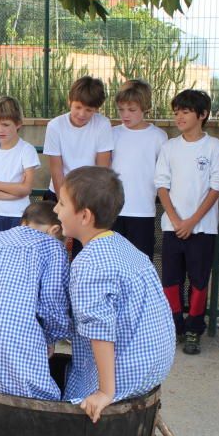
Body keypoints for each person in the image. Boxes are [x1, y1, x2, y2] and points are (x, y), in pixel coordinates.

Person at [55, 167, 176, 421]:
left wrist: (105, 391)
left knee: (70, 401)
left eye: (62, 203)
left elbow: (99, 330)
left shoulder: (89, 264)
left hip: (126, 373)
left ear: (85, 216)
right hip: (154, 364)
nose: (56, 209)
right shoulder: (124, 246)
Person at [0, 202, 71, 400]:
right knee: (35, 399)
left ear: (23, 222)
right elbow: (52, 303)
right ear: (55, 230)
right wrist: (51, 337)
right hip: (13, 334)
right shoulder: (52, 247)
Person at [155, 89, 219, 355]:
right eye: (176, 112)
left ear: (203, 114)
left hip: (203, 229)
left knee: (198, 281)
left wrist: (193, 221)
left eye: (185, 112)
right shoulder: (169, 147)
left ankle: (194, 329)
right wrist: (175, 220)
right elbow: (161, 184)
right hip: (172, 227)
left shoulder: (214, 147)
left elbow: (216, 186)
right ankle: (173, 325)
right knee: (171, 280)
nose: (179, 117)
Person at [43, 76, 112, 257]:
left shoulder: (103, 124)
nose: (82, 114)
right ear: (69, 101)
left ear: (97, 109)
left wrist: (88, 205)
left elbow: (103, 170)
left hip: (89, 199)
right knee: (53, 250)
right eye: (78, 107)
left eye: (89, 110)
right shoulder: (55, 126)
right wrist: (64, 203)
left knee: (85, 253)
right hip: (58, 196)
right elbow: (56, 170)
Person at [110, 79, 167, 260]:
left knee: (141, 262)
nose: (125, 115)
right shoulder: (112, 133)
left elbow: (163, 174)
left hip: (143, 210)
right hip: (114, 211)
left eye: (132, 110)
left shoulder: (158, 136)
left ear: (145, 107)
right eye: (121, 110)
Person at [0, 96, 39, 241]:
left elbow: (25, 189)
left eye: (5, 124)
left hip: (19, 214)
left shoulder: (27, 150)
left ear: (18, 124)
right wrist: (13, 193)